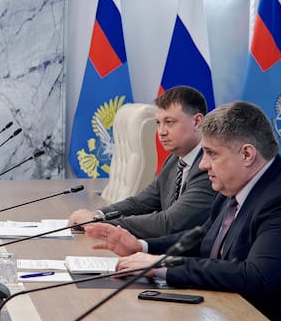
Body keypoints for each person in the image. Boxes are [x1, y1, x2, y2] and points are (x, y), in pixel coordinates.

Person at [85, 101, 281, 321]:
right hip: (244, 319)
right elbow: (204, 239)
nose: (203, 165)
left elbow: (255, 277)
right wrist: (142, 246)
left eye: (211, 154)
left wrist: (163, 265)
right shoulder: (236, 187)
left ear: (246, 154)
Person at [68, 85, 214, 237]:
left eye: (170, 122)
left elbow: (170, 223)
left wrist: (99, 224)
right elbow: (141, 203)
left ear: (196, 122)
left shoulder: (209, 166)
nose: (161, 132)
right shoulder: (175, 160)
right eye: (158, 123)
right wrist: (98, 214)